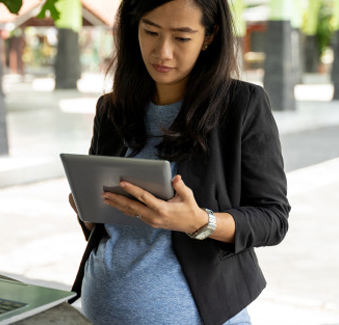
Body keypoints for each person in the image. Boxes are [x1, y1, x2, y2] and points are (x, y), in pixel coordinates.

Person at [67, 0, 290, 324]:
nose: (163, 52)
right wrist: (89, 207)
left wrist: (200, 221)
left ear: (209, 36)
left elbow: (273, 218)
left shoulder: (241, 106)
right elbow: (105, 230)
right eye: (151, 32)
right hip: (99, 310)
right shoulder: (112, 110)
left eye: (182, 37)